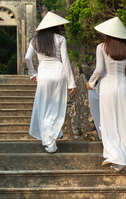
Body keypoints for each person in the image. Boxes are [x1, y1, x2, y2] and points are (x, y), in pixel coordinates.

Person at [87, 17, 126, 171]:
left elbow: (100, 69)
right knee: (124, 122)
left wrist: (91, 82)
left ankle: (115, 156)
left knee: (108, 120)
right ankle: (124, 160)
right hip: (122, 84)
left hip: (107, 85)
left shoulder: (101, 47)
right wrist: (125, 83)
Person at [25, 12, 76, 153]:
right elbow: (65, 61)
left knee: (44, 106)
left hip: (44, 75)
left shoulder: (35, 40)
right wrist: (72, 82)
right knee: (56, 106)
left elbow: (27, 58)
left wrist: (32, 73)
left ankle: (50, 139)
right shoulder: (60, 38)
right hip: (59, 73)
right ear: (55, 26)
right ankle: (52, 136)